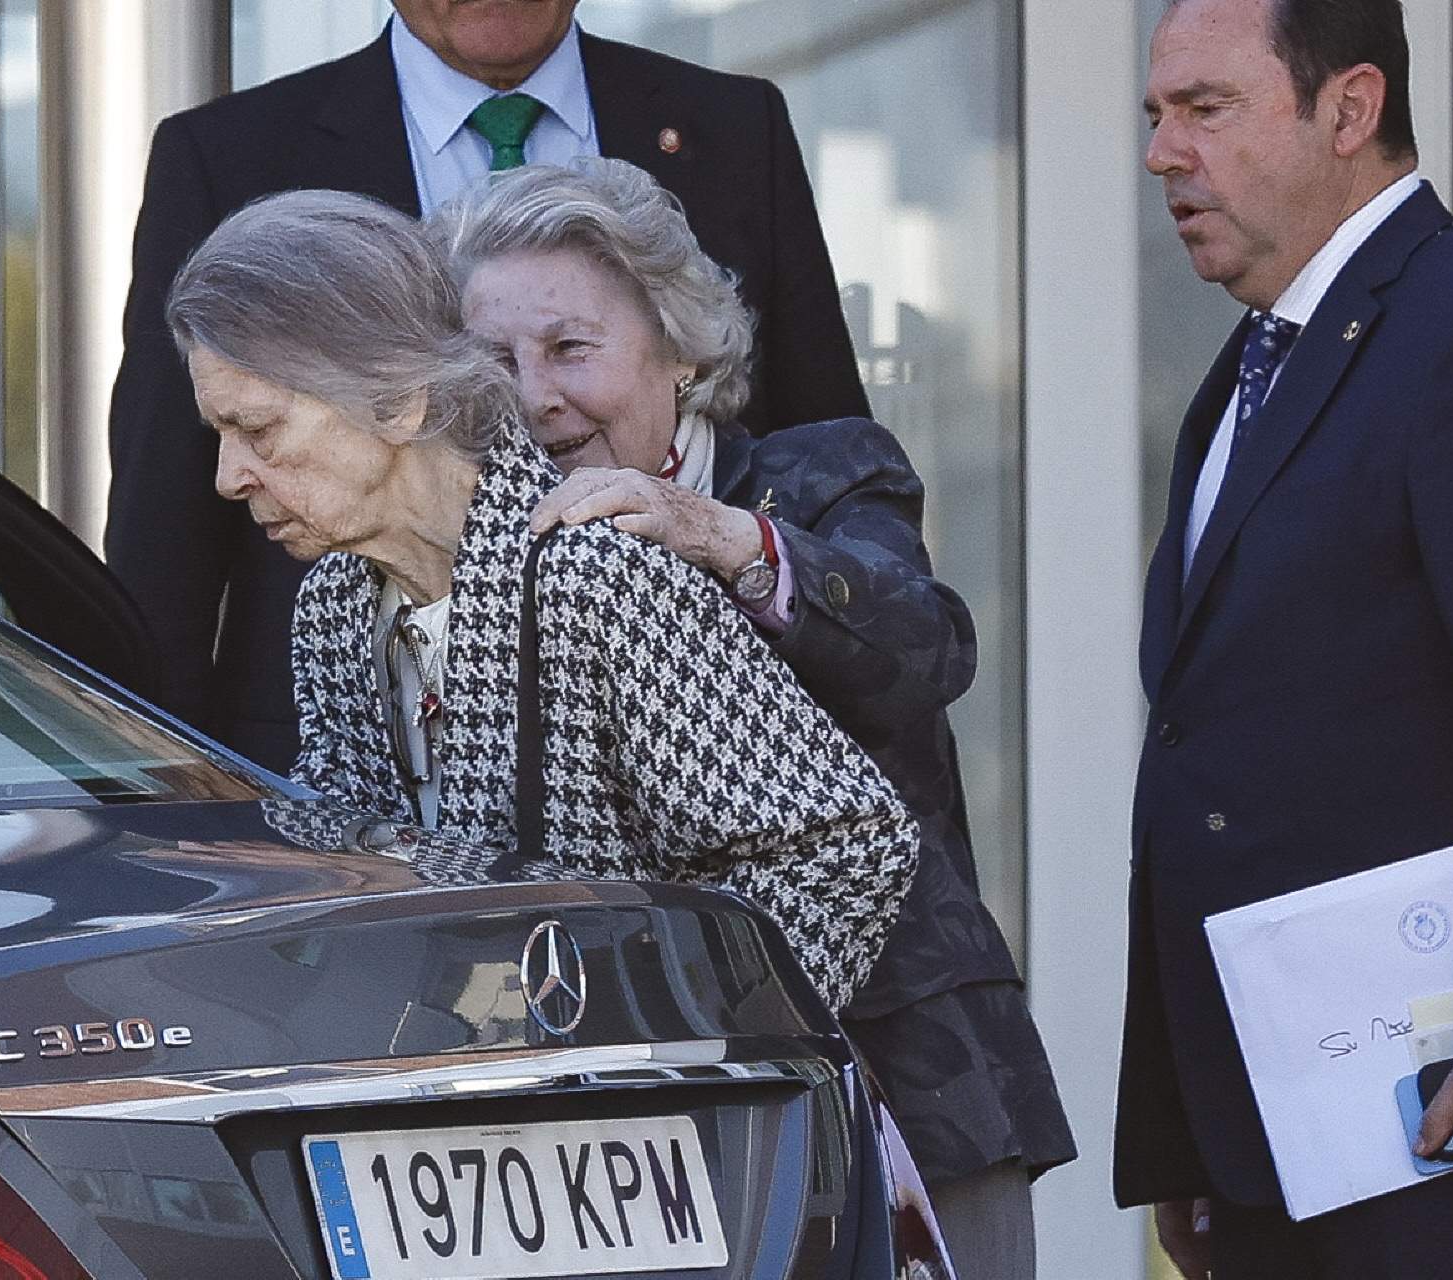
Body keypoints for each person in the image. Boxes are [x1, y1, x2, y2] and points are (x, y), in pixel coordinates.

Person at [429, 158, 1075, 1280]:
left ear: (681, 349)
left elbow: (927, 646)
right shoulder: (491, 557)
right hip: (649, 1140)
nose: (535, 396)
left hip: (909, 1085)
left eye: (572, 348)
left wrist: (719, 537)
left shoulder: (823, 473)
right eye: (497, 361)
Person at [164, 187, 918, 1018]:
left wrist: (676, 1034)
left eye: (260, 430)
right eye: (220, 436)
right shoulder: (336, 600)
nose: (228, 478)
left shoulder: (597, 578)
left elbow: (845, 841)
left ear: (400, 400)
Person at [107, 0, 870, 771]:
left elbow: (821, 446)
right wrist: (167, 790)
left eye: (569, 346)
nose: (536, 393)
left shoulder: (732, 125)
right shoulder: (229, 154)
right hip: (344, 757)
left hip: (722, 762)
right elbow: (163, 525)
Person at [1127, 1, 1453, 1274]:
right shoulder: (1245, 373)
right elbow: (1206, 761)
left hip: (1429, 1152)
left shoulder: (1450, 329)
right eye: (1156, 117)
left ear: (1351, 107)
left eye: (1204, 110)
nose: (1162, 154)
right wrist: (1182, 1130)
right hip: (1272, 1149)